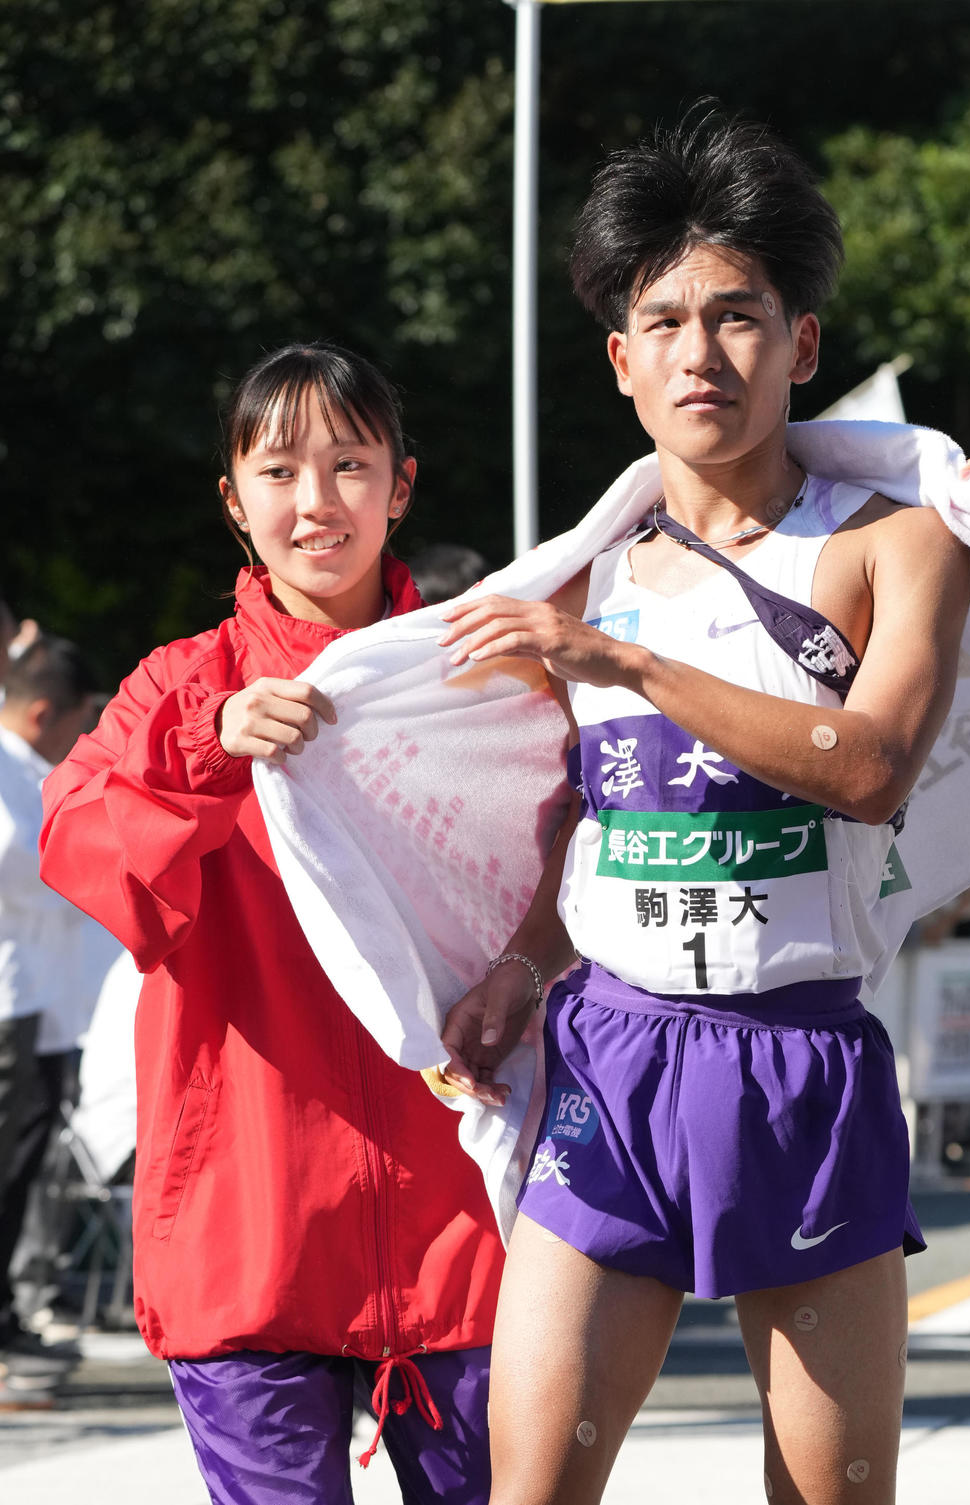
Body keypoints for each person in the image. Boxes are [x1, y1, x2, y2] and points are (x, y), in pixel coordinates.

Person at [437, 109, 970, 1505]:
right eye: (663, 320)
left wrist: (627, 663)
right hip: (612, 1059)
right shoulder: (574, 582)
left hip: (802, 1061)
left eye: (738, 317)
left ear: (802, 345)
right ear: (621, 363)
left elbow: (871, 769)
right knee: (533, 1491)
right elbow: (585, 818)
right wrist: (520, 963)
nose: (700, 352)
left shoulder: (892, 549)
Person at [40, 345, 504, 1503]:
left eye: (349, 465)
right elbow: (76, 844)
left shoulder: (474, 672)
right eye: (281, 468)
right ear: (234, 500)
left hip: (466, 1221)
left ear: (401, 484)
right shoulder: (177, 686)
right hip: (245, 1223)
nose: (315, 501)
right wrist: (207, 750)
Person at [0, 637, 97, 1387]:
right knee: (7, 1170)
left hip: (38, 997)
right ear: (43, 712)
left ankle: (7, 1317)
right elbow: (30, 866)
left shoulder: (27, 769)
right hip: (10, 993)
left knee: (24, 1166)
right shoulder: (8, 770)